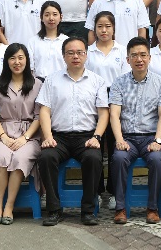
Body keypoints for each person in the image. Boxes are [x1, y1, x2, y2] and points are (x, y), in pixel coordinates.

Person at [37, 37, 109, 226]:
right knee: (46, 157)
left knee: (93, 158)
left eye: (79, 52)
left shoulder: (97, 81)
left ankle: (88, 210)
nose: (75, 56)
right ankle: (54, 209)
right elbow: (44, 110)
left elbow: (103, 113)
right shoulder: (52, 80)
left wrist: (97, 137)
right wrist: (48, 137)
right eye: (70, 53)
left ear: (86, 55)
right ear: (63, 56)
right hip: (58, 136)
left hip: (86, 137)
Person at [105, 37, 161, 224]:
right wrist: (119, 140)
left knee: (157, 160)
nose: (139, 59)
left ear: (149, 57)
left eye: (143, 55)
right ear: (128, 59)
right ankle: (120, 208)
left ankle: (152, 208)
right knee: (118, 158)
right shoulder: (119, 83)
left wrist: (158, 141)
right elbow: (114, 114)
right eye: (134, 55)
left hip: (151, 137)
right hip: (127, 138)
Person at [0, 43, 43, 225]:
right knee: (1, 157)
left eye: (20, 58)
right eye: (12, 58)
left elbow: (39, 116)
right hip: (2, 133)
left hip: (29, 135)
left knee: (20, 158)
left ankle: (9, 207)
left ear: (27, 60)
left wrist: (24, 138)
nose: (17, 62)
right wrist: (3, 137)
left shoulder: (37, 84)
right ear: (6, 61)